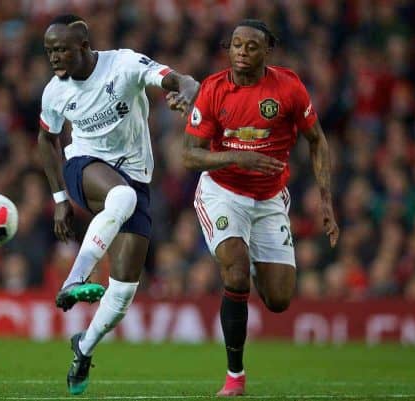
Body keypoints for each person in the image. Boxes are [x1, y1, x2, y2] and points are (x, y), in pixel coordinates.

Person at [175, 20, 339, 396]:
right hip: (223, 192)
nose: (242, 52)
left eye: (251, 46)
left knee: (279, 300)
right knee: (234, 273)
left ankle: (247, 257)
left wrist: (325, 200)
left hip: (269, 198)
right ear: (228, 48)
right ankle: (235, 374)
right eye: (236, 45)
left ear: (267, 52)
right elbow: (188, 155)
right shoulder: (214, 90)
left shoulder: (288, 88)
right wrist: (236, 160)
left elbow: (317, 140)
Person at [38, 14, 199, 395]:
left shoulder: (123, 64)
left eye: (61, 49)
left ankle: (84, 348)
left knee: (123, 292)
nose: (54, 57)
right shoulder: (54, 92)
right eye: (49, 51)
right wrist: (60, 198)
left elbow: (181, 79)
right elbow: (47, 140)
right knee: (120, 196)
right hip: (85, 168)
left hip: (137, 177)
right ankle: (75, 278)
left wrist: (187, 91)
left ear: (83, 45)